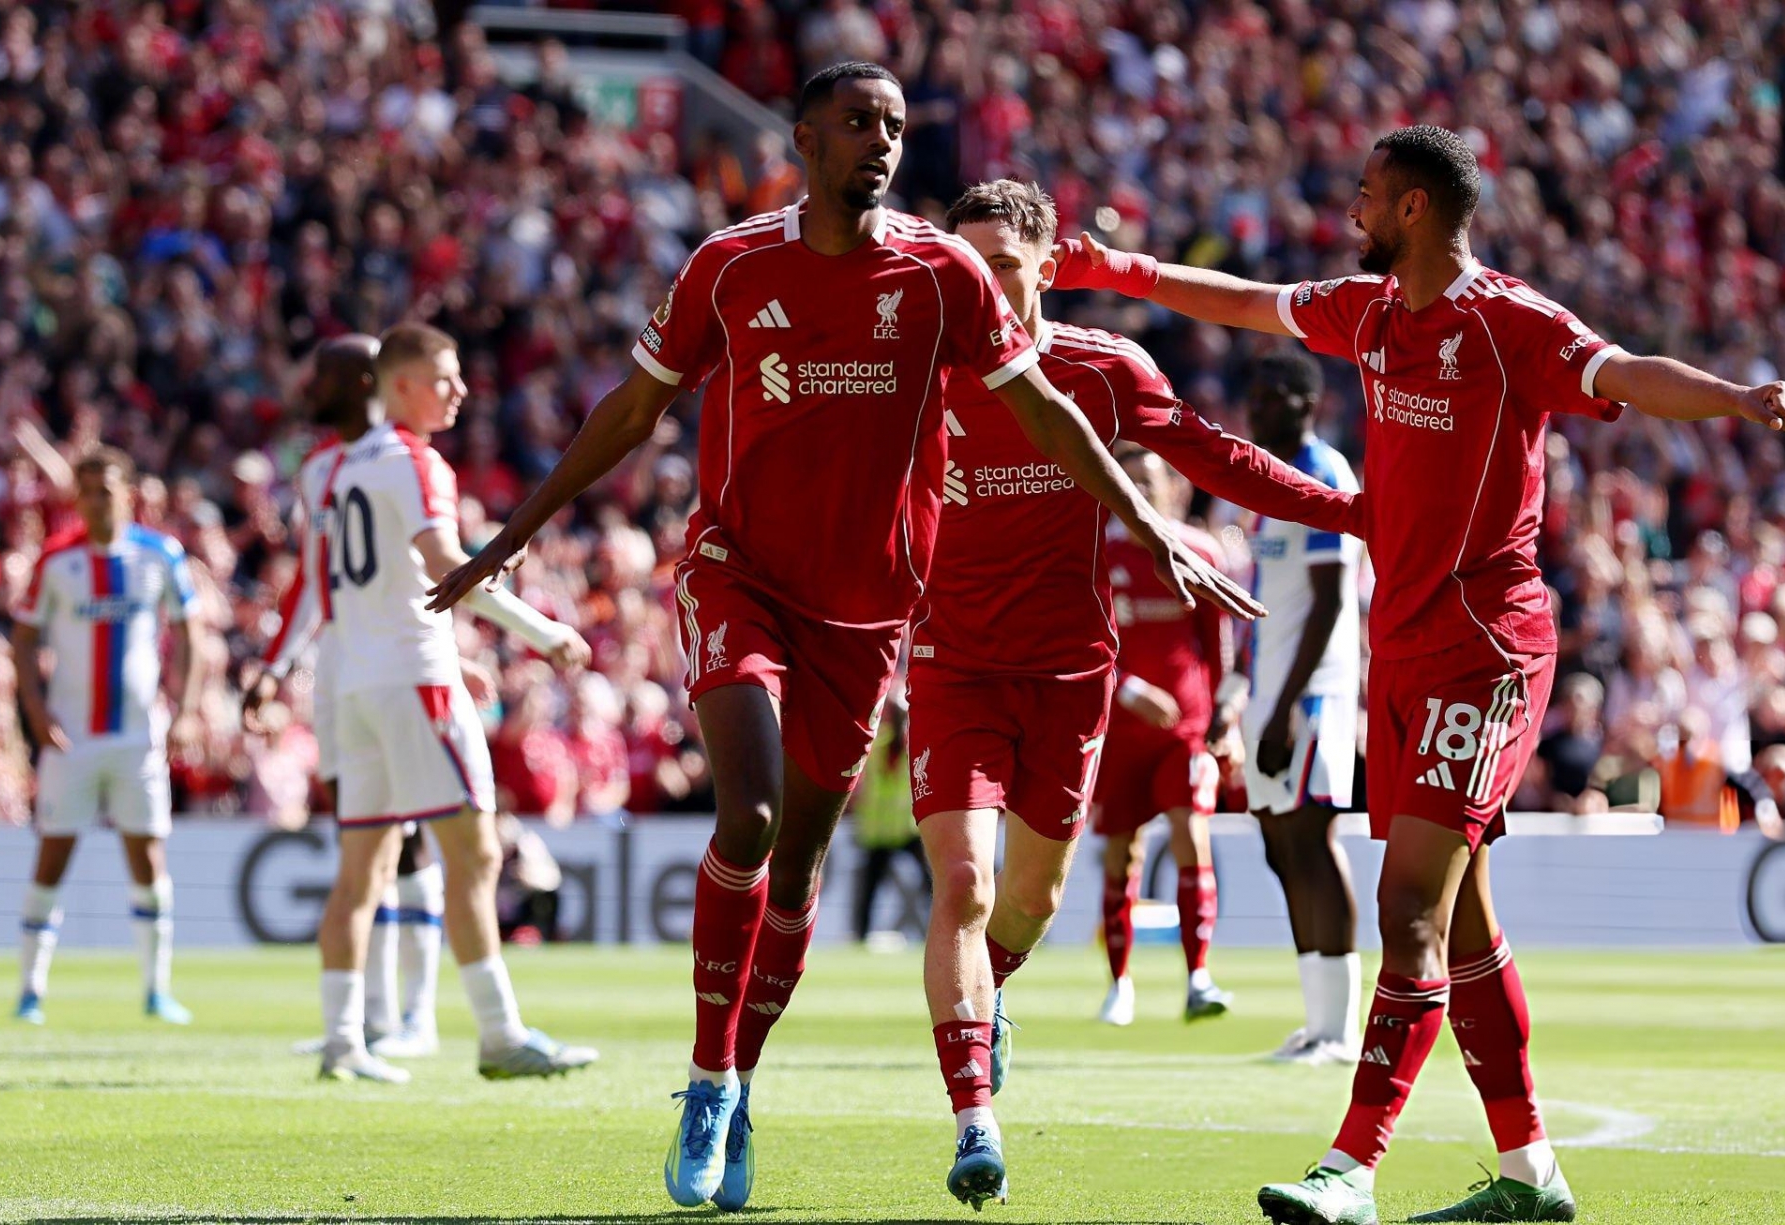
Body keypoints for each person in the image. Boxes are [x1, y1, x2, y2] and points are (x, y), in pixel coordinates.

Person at [426, 63, 1255, 1214]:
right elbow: (633, 408)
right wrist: (513, 533)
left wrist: (1148, 523)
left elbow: (1045, 409)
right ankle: (708, 1080)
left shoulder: (941, 272)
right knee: (752, 814)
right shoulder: (730, 266)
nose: (882, 141)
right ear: (805, 140)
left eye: (896, 126)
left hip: (865, 613)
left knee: (801, 866)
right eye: (858, 122)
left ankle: (741, 1081)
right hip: (740, 572)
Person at [1060, 125, 1785, 1224]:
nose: (1352, 211)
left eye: (1368, 194)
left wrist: (1736, 395)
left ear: (1413, 208)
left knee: (1406, 902)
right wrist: (1120, 270)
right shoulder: (1369, 313)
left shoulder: (1510, 322)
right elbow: (1250, 302)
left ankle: (1350, 1168)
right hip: (1402, 650)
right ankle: (1531, 1170)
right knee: (1460, 924)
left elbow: (1624, 373)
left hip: (1487, 651)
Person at [911, 179, 1360, 1207]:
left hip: (1071, 674)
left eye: (1003, 265)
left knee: (1031, 901)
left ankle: (986, 1003)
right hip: (954, 665)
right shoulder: (923, 366)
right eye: (965, 265)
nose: (982, 285)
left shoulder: (1104, 369)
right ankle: (974, 1115)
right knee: (965, 888)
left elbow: (1218, 458)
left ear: (1048, 266)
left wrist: (1359, 513)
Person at [313, 321, 597, 1084]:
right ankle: (500, 1034)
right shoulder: (414, 459)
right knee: (474, 853)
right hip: (415, 678)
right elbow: (446, 564)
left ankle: (341, 1042)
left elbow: (345, 586)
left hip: (356, 683)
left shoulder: (341, 467)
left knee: (360, 870)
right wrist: (542, 631)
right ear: (402, 384)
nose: (461, 391)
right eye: (445, 378)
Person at [245, 337, 449, 1061]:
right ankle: (371, 1017)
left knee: (412, 836)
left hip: (398, 661)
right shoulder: (319, 469)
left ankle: (419, 1016)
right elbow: (312, 578)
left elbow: (426, 569)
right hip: (338, 670)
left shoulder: (404, 456)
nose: (308, 387)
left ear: (364, 380)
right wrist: (276, 666)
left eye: (322, 375)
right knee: (361, 837)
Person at [13, 448, 208, 1027]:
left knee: (147, 856)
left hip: (138, 737)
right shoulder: (56, 560)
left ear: (129, 494)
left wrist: (187, 710)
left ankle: (156, 990)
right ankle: (30, 991)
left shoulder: (159, 554)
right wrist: (34, 710)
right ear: (76, 498)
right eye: (88, 491)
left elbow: (190, 632)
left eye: (108, 490)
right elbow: (23, 639)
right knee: (52, 856)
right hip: (70, 737)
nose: (98, 501)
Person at [1239, 353, 1365, 1066]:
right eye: (1252, 395)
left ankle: (1340, 1031)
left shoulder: (1325, 475)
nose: (1254, 408)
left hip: (1313, 690)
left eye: (1269, 395)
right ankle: (1316, 1020)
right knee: (1280, 847)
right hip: (1269, 690)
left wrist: (1288, 704)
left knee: (1313, 840)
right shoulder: (1267, 477)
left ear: (1305, 401)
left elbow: (1328, 600)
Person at [1091, 448, 1236, 1029]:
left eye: (1150, 482)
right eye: (1129, 481)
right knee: (1121, 854)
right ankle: (1119, 984)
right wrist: (1128, 690)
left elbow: (1220, 648)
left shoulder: (1199, 552)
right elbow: (1083, 643)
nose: (1141, 492)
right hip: (1119, 733)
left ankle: (1199, 977)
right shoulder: (1097, 554)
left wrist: (1226, 723)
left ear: (1172, 488)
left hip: (1186, 731)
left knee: (1191, 836)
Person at [850, 696, 926, 944]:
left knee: (933, 883)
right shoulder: (882, 744)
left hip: (904, 829)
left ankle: (942, 928)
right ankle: (860, 936)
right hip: (884, 831)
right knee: (869, 889)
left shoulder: (911, 745)